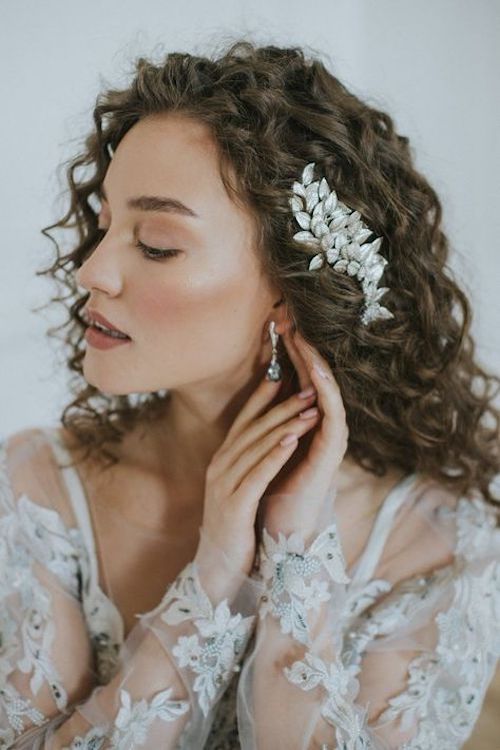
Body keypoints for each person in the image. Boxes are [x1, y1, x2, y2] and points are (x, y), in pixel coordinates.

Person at [1, 38, 500, 750]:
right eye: (105, 224)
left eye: (157, 244)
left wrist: (294, 556)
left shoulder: (439, 543)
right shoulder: (31, 492)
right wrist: (211, 579)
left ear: (292, 295)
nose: (91, 271)